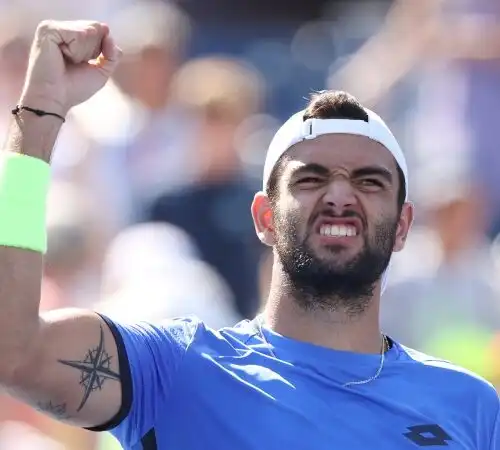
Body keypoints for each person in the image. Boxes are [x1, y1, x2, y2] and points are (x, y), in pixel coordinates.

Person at [0, 20, 497, 450]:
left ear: (404, 225)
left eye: (369, 181)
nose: (341, 195)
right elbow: (15, 351)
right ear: (263, 217)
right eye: (311, 178)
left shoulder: (471, 406)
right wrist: (38, 121)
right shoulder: (176, 368)